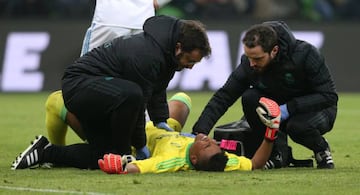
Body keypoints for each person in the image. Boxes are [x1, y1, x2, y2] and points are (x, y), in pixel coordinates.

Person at [12, 15, 211, 170]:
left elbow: (157, 89)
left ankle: (45, 152)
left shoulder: (167, 55)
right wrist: (140, 145)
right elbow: (139, 100)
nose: (190, 67)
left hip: (104, 93)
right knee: (133, 95)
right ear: (178, 47)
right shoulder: (147, 55)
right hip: (79, 84)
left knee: (105, 155)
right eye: (190, 60)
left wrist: (161, 121)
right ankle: (124, 152)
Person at [192, 21, 338, 169]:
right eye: (248, 57)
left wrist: (289, 108)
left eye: (257, 58)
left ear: (274, 50)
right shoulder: (249, 64)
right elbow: (223, 97)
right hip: (279, 111)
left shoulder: (306, 54)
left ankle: (321, 149)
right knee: (250, 98)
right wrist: (199, 132)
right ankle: (277, 154)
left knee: (297, 126)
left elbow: (329, 96)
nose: (251, 64)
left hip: (317, 110)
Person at [12, 94, 281, 173]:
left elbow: (137, 169)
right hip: (164, 127)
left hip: (134, 129)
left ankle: (48, 151)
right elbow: (255, 164)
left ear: (194, 161)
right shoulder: (223, 162)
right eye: (213, 143)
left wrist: (120, 166)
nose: (207, 139)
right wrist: (271, 132)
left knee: (60, 103)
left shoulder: (170, 161)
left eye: (206, 145)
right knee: (183, 100)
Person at [46, 0, 163, 146]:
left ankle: (67, 142)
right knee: (138, 90)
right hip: (141, 20)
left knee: (84, 84)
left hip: (110, 17)